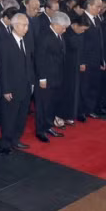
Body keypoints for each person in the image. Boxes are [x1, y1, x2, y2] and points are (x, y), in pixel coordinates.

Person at [0, 13, 34, 153]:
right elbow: (3, 67)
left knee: (21, 116)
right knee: (9, 117)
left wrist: (31, 82)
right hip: (12, 88)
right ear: (16, 25)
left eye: (27, 25)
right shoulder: (6, 43)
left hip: (25, 86)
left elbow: (29, 62)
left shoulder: (26, 40)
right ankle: (5, 143)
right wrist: (5, 89)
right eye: (24, 25)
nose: (26, 28)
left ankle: (16, 139)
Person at [34, 12, 70, 143]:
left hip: (57, 76)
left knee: (51, 104)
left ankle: (48, 126)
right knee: (43, 105)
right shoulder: (44, 36)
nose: (65, 30)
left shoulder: (58, 36)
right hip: (46, 78)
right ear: (55, 24)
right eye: (63, 27)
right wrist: (42, 78)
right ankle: (40, 130)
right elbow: (40, 59)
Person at [60, 14, 90, 126]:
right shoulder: (66, 32)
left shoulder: (79, 34)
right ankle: (64, 115)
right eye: (82, 29)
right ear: (76, 25)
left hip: (76, 65)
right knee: (67, 91)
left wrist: (82, 61)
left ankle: (72, 114)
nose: (83, 32)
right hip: (66, 66)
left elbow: (83, 48)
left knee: (75, 90)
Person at [79, 0, 105, 120]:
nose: (99, 9)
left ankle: (90, 108)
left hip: (96, 58)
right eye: (97, 6)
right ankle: (81, 110)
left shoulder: (97, 19)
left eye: (100, 7)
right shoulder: (81, 19)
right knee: (84, 85)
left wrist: (102, 59)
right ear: (89, 5)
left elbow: (100, 41)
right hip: (86, 59)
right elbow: (80, 43)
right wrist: (82, 61)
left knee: (94, 85)